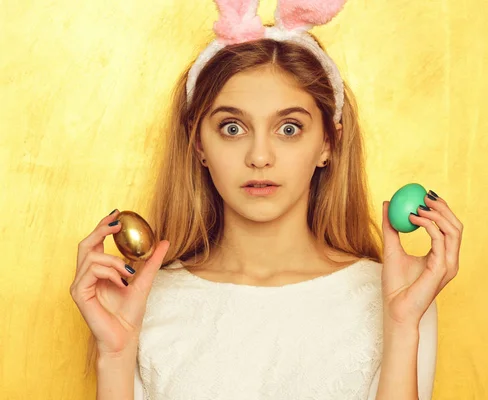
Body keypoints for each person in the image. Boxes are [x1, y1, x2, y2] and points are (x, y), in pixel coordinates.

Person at [70, 1, 463, 399]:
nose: (259, 156)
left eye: (289, 128)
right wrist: (114, 354)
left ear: (328, 142)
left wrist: (400, 325)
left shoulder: (398, 294)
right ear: (198, 143)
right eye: (233, 127)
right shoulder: (142, 300)